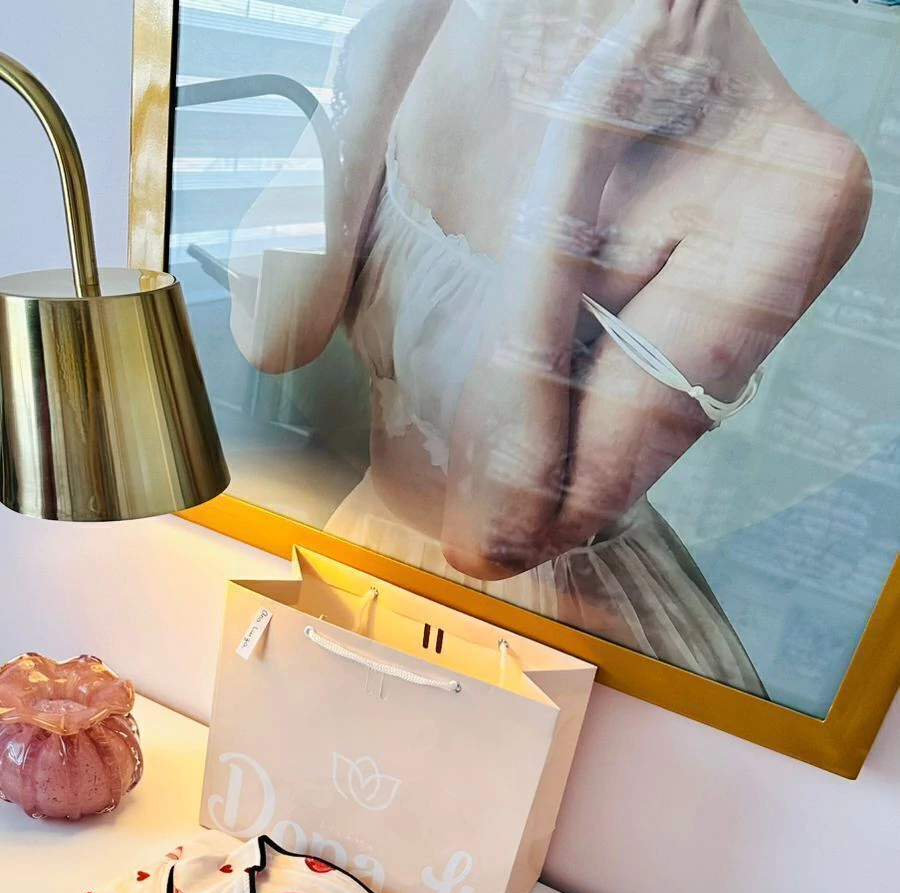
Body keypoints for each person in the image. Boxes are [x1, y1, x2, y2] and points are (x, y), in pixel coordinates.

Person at [227, 0, 871, 688]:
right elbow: (272, 335)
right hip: (366, 561)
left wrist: (581, 141)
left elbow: (486, 538)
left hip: (551, 644)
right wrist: (397, 31)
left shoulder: (801, 169)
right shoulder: (450, 16)